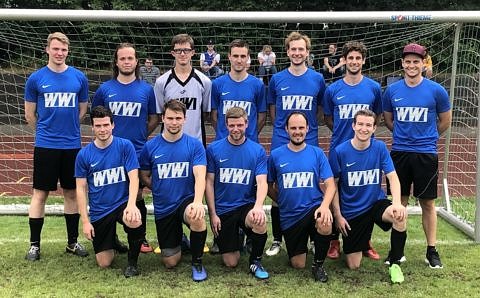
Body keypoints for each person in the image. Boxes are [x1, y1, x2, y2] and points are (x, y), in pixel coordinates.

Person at [383, 43, 452, 269]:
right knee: (399, 202)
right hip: (400, 153)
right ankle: (397, 251)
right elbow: (389, 120)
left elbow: (445, 121)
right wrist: (405, 137)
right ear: (402, 63)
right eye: (408, 61)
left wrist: (428, 138)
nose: (412, 65)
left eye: (416, 61)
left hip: (426, 154)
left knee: (428, 204)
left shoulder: (436, 90)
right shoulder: (392, 91)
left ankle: (431, 250)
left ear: (423, 64)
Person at [24, 32, 89, 261]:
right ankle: (34, 245)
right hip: (45, 146)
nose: (59, 53)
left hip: (72, 145)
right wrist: (47, 132)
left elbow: (82, 110)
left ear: (67, 51)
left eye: (63, 50)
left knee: (71, 193)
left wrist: (67, 128)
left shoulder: (79, 77)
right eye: (55, 49)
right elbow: (30, 115)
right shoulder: (35, 78)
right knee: (40, 194)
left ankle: (72, 242)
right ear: (48, 50)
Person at [92, 42, 159, 254]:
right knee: (109, 193)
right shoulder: (105, 89)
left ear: (136, 61)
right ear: (116, 61)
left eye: (130, 58)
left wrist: (139, 136)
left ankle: (140, 238)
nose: (127, 62)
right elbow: (97, 118)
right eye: (123, 58)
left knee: (137, 195)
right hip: (108, 153)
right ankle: (110, 239)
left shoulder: (146, 90)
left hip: (137, 152)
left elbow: (153, 118)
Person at [329, 109, 407, 284]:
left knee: (400, 215)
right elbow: (332, 184)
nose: (364, 129)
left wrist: (396, 203)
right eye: (361, 124)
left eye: (368, 125)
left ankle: (395, 264)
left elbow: (393, 177)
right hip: (352, 211)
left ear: (374, 129)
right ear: (353, 126)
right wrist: (338, 215)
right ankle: (359, 243)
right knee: (353, 265)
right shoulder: (340, 151)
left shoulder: (379, 148)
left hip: (375, 204)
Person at [266, 31, 326, 256]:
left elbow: (320, 109)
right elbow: (273, 109)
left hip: (308, 139)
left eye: (301, 49)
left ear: (307, 52)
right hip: (282, 140)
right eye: (293, 49)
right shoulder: (277, 79)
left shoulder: (317, 79)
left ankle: (311, 238)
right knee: (279, 190)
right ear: (288, 51)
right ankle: (277, 238)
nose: (297, 53)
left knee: (309, 188)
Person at [322, 41, 383, 260]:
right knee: (335, 191)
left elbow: (376, 115)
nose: (354, 62)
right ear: (344, 60)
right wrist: (343, 135)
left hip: (366, 151)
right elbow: (328, 117)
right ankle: (333, 241)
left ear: (363, 61)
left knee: (366, 193)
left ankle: (364, 240)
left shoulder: (374, 88)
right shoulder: (333, 89)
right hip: (340, 148)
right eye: (350, 58)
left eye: (358, 58)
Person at [139, 100, 208, 282]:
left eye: (178, 118)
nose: (174, 122)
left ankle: (197, 262)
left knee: (197, 216)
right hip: (164, 207)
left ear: (185, 119)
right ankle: (182, 241)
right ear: (163, 118)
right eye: (170, 118)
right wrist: (159, 187)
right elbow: (144, 175)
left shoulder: (194, 145)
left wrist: (198, 201)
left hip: (186, 201)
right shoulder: (151, 147)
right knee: (170, 262)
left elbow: (200, 175)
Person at [75, 106, 144, 278]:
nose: (102, 129)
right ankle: (111, 240)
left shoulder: (125, 146)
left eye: (106, 124)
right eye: (98, 126)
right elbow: (80, 189)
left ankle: (132, 264)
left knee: (134, 219)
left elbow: (134, 178)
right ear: (92, 127)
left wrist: (131, 205)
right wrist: (85, 221)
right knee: (104, 263)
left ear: (113, 124)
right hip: (100, 210)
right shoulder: (84, 155)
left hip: (121, 203)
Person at [267, 111, 336, 282]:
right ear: (286, 129)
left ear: (307, 129)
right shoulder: (276, 155)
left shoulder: (317, 153)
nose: (297, 131)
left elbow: (330, 184)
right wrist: (282, 201)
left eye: (301, 128)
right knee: (298, 264)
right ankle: (303, 247)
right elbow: (267, 186)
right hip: (290, 216)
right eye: (293, 128)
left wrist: (325, 206)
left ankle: (318, 265)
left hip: (313, 209)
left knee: (325, 221)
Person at [205, 107, 269, 279]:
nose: (236, 129)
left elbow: (262, 182)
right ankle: (236, 236)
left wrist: (258, 207)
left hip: (245, 206)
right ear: (226, 124)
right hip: (224, 209)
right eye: (232, 125)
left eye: (240, 125)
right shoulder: (213, 149)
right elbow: (209, 182)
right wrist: (213, 214)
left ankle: (255, 261)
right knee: (231, 262)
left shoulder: (257, 151)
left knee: (259, 220)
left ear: (247, 124)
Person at [155, 34, 212, 146]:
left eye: (186, 50)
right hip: (168, 143)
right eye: (178, 50)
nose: (182, 54)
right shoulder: (161, 82)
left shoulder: (205, 81)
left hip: (196, 144)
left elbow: (205, 113)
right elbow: (160, 114)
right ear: (173, 53)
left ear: (193, 52)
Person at [211, 39, 266, 143]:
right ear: (229, 57)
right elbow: (214, 116)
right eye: (235, 56)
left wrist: (251, 135)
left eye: (243, 56)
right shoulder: (217, 84)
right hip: (223, 143)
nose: (239, 60)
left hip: (249, 142)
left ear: (248, 58)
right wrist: (223, 133)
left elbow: (262, 116)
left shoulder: (258, 85)